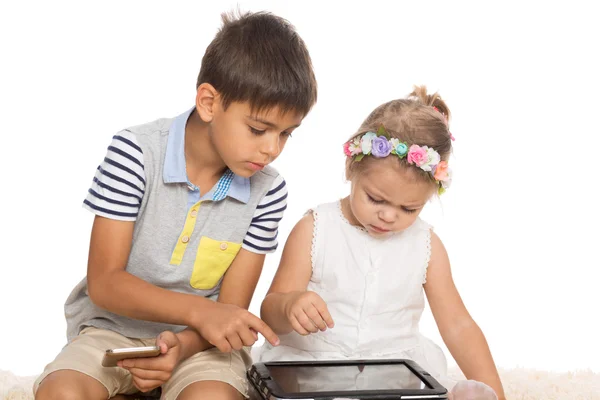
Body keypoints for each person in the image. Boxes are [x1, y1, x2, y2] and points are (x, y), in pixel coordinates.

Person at [34, 10, 317, 400]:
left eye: (286, 133)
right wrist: (200, 310)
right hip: (110, 330)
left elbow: (230, 309)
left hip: (202, 343)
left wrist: (183, 344)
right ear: (208, 102)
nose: (272, 148)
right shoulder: (135, 153)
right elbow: (104, 282)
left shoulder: (268, 191)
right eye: (258, 129)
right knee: (62, 392)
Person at [258, 86, 505, 400]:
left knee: (424, 394)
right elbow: (270, 310)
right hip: (314, 369)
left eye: (409, 209)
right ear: (351, 168)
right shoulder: (316, 229)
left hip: (395, 372)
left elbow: (458, 325)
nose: (389, 216)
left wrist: (497, 392)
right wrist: (290, 304)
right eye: (375, 199)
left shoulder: (427, 246)